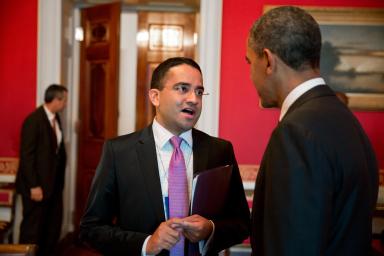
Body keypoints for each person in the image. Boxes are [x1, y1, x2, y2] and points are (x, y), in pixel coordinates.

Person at [79, 57, 250, 255]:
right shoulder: (119, 152)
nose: (194, 99)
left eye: (199, 92)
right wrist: (146, 244)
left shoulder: (220, 151)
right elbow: (91, 229)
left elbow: (242, 223)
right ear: (155, 97)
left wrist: (211, 229)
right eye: (182, 88)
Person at [245, 6, 378, 256]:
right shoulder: (344, 118)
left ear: (268, 61)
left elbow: (291, 247)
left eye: (250, 62)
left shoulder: (295, 132)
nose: (251, 75)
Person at [16, 84, 68, 255]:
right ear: (55, 99)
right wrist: (33, 186)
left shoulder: (56, 118)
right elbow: (27, 157)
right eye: (64, 99)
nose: (66, 104)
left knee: (51, 228)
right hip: (36, 188)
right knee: (33, 230)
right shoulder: (33, 120)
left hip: (53, 186)